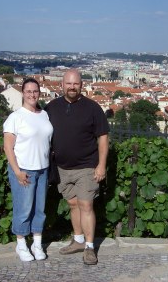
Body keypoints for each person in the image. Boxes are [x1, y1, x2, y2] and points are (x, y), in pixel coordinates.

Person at [45, 69, 109, 265]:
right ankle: (78, 240)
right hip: (62, 168)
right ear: (61, 85)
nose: (72, 87)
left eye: (76, 84)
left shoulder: (93, 108)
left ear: (81, 85)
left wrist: (101, 165)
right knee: (73, 204)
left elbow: (103, 137)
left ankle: (90, 247)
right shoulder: (51, 108)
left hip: (86, 166)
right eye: (68, 84)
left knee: (86, 205)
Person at [3, 77, 53, 262]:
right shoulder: (15, 117)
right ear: (23, 93)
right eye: (28, 91)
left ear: (39, 93)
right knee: (23, 209)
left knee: (40, 209)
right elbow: (8, 147)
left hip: (43, 168)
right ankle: (21, 244)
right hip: (24, 169)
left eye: (35, 91)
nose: (32, 94)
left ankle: (37, 243)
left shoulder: (44, 114)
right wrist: (16, 171)